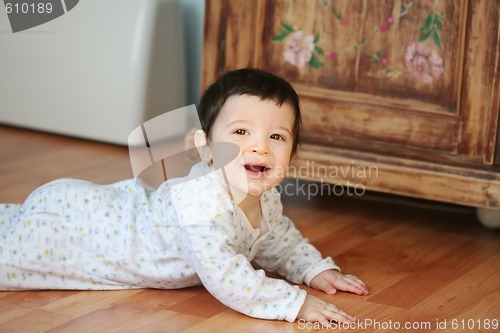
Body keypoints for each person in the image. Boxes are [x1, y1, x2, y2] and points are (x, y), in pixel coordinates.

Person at [0, 68, 368, 325]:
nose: (260, 148)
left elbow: (279, 241)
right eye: (241, 132)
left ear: (293, 152)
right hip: (81, 229)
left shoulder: (265, 197)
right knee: (11, 253)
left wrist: (314, 269)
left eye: (276, 137)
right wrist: (295, 303)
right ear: (207, 148)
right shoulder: (200, 204)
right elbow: (227, 276)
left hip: (103, 214)